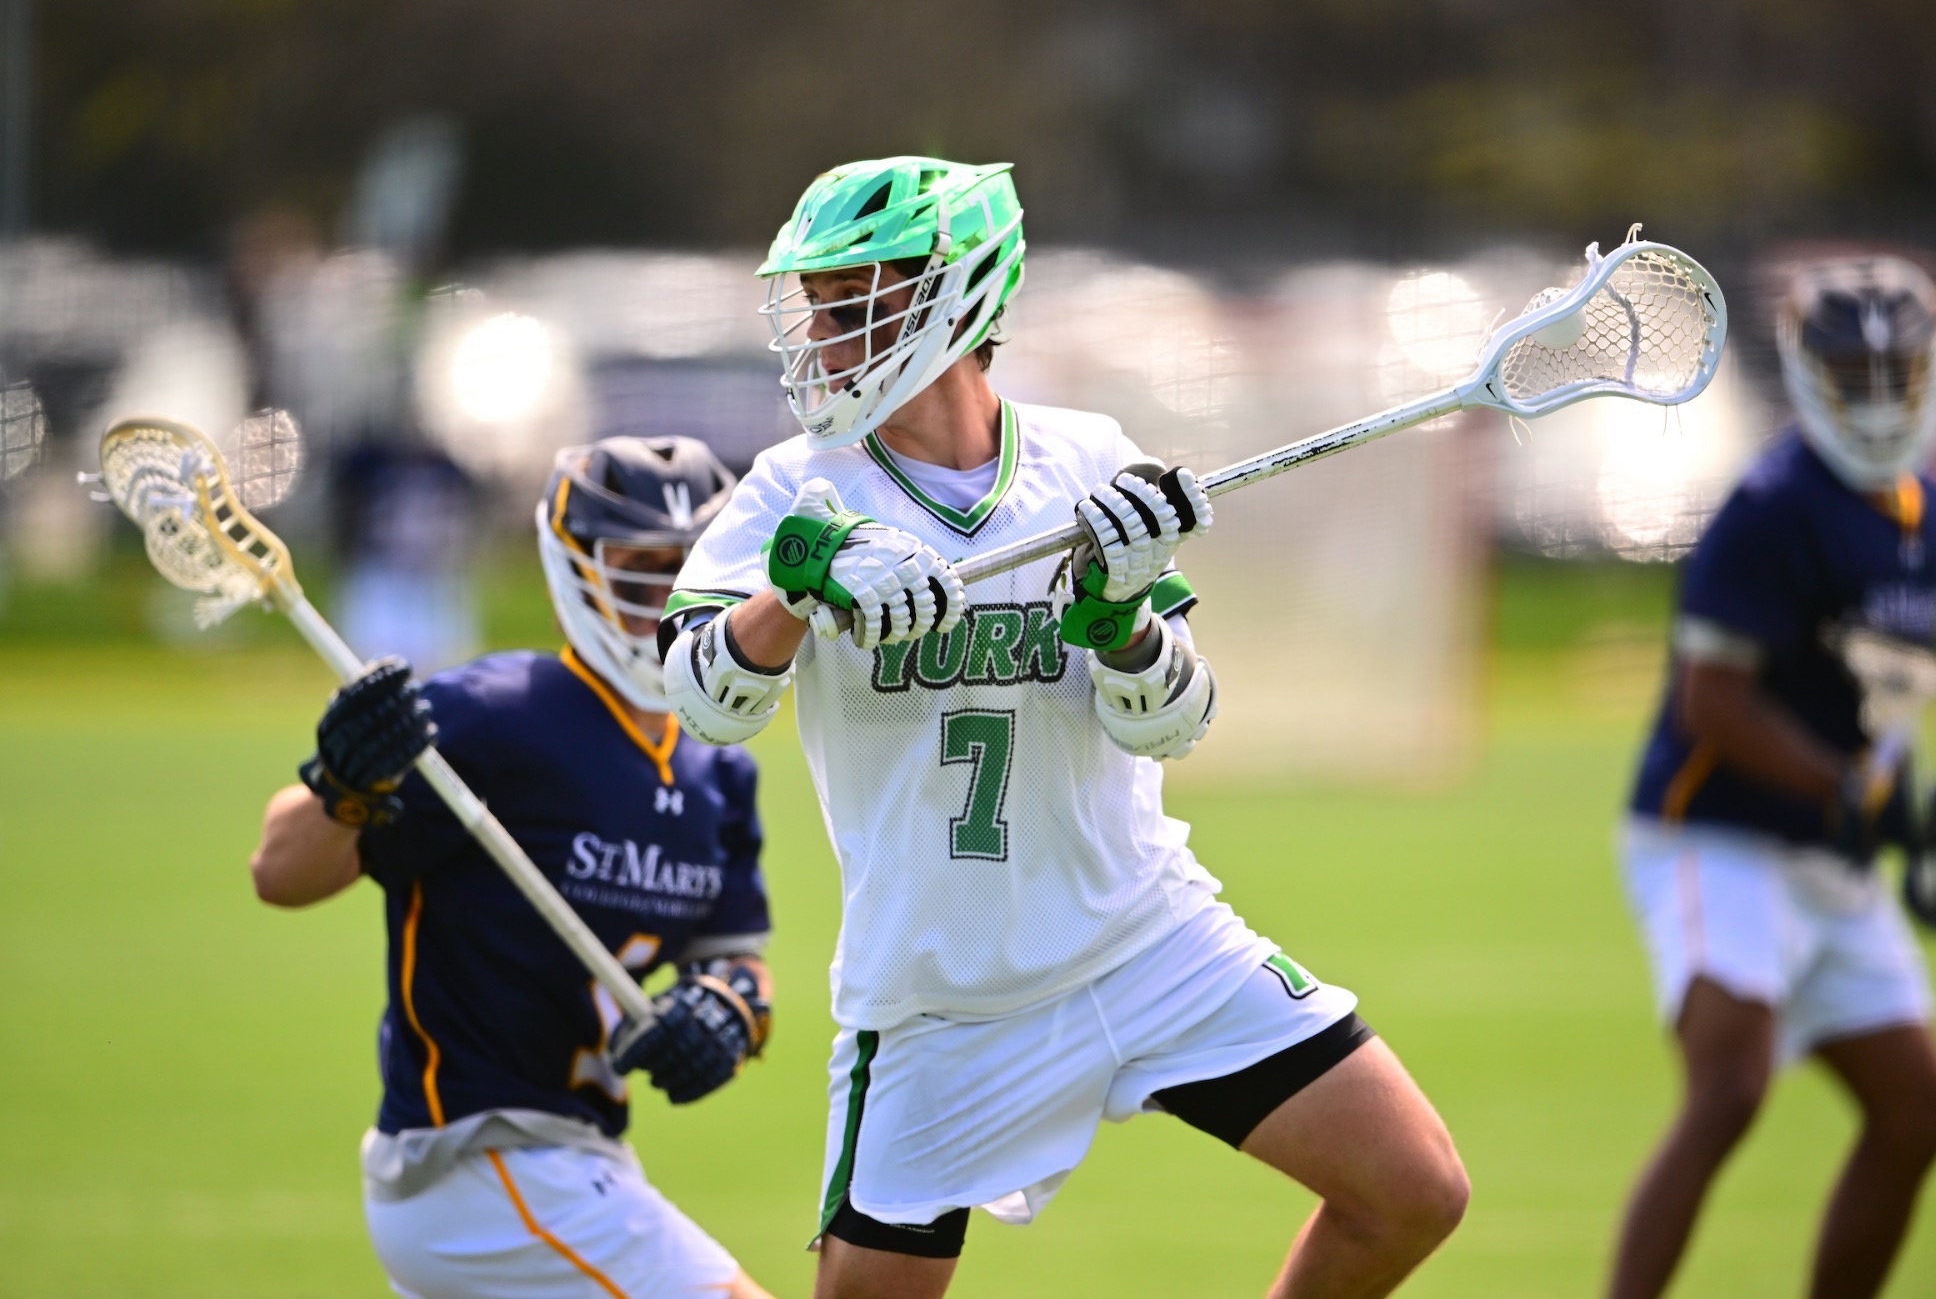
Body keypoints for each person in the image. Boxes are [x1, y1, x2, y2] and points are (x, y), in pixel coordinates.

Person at [648, 156, 1468, 1299]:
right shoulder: (799, 492)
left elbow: (1177, 721)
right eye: (815, 307)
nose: (820, 338)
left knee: (1412, 1186)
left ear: (954, 292)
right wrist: (799, 588)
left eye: (850, 304)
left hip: (1145, 943)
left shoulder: (1088, 458)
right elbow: (700, 696)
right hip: (943, 1003)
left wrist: (1122, 619)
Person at [250, 435, 778, 1299]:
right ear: (577, 568)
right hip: (476, 1158)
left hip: (584, 1153)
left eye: (697, 564)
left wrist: (728, 1010)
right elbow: (278, 869)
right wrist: (343, 786)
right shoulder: (494, 718)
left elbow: (738, 958)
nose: (675, 594)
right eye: (645, 566)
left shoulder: (720, 765)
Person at [1608, 256, 1936, 1299]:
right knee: (1727, 1088)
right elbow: (1709, 699)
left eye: (1891, 373)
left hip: (1821, 848)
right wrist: (1851, 792)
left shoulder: (1921, 509)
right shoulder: (1772, 503)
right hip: (1712, 836)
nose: (1872, 398)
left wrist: (1917, 815)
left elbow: (1879, 692)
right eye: (1850, 375)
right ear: (1808, 375)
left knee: (1917, 1113)